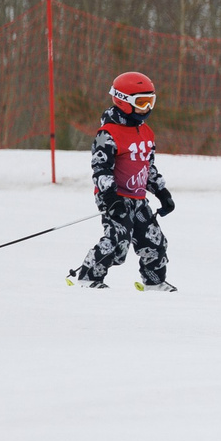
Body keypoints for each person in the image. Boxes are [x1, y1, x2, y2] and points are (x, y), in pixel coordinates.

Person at [68, 71, 176, 292]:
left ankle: (154, 281)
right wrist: (110, 198)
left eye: (151, 102)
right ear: (123, 102)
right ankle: (89, 276)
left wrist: (162, 193)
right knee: (118, 241)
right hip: (115, 196)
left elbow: (148, 167)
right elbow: (101, 168)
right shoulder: (107, 134)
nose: (148, 109)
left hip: (138, 197)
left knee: (154, 241)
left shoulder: (146, 132)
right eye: (142, 103)